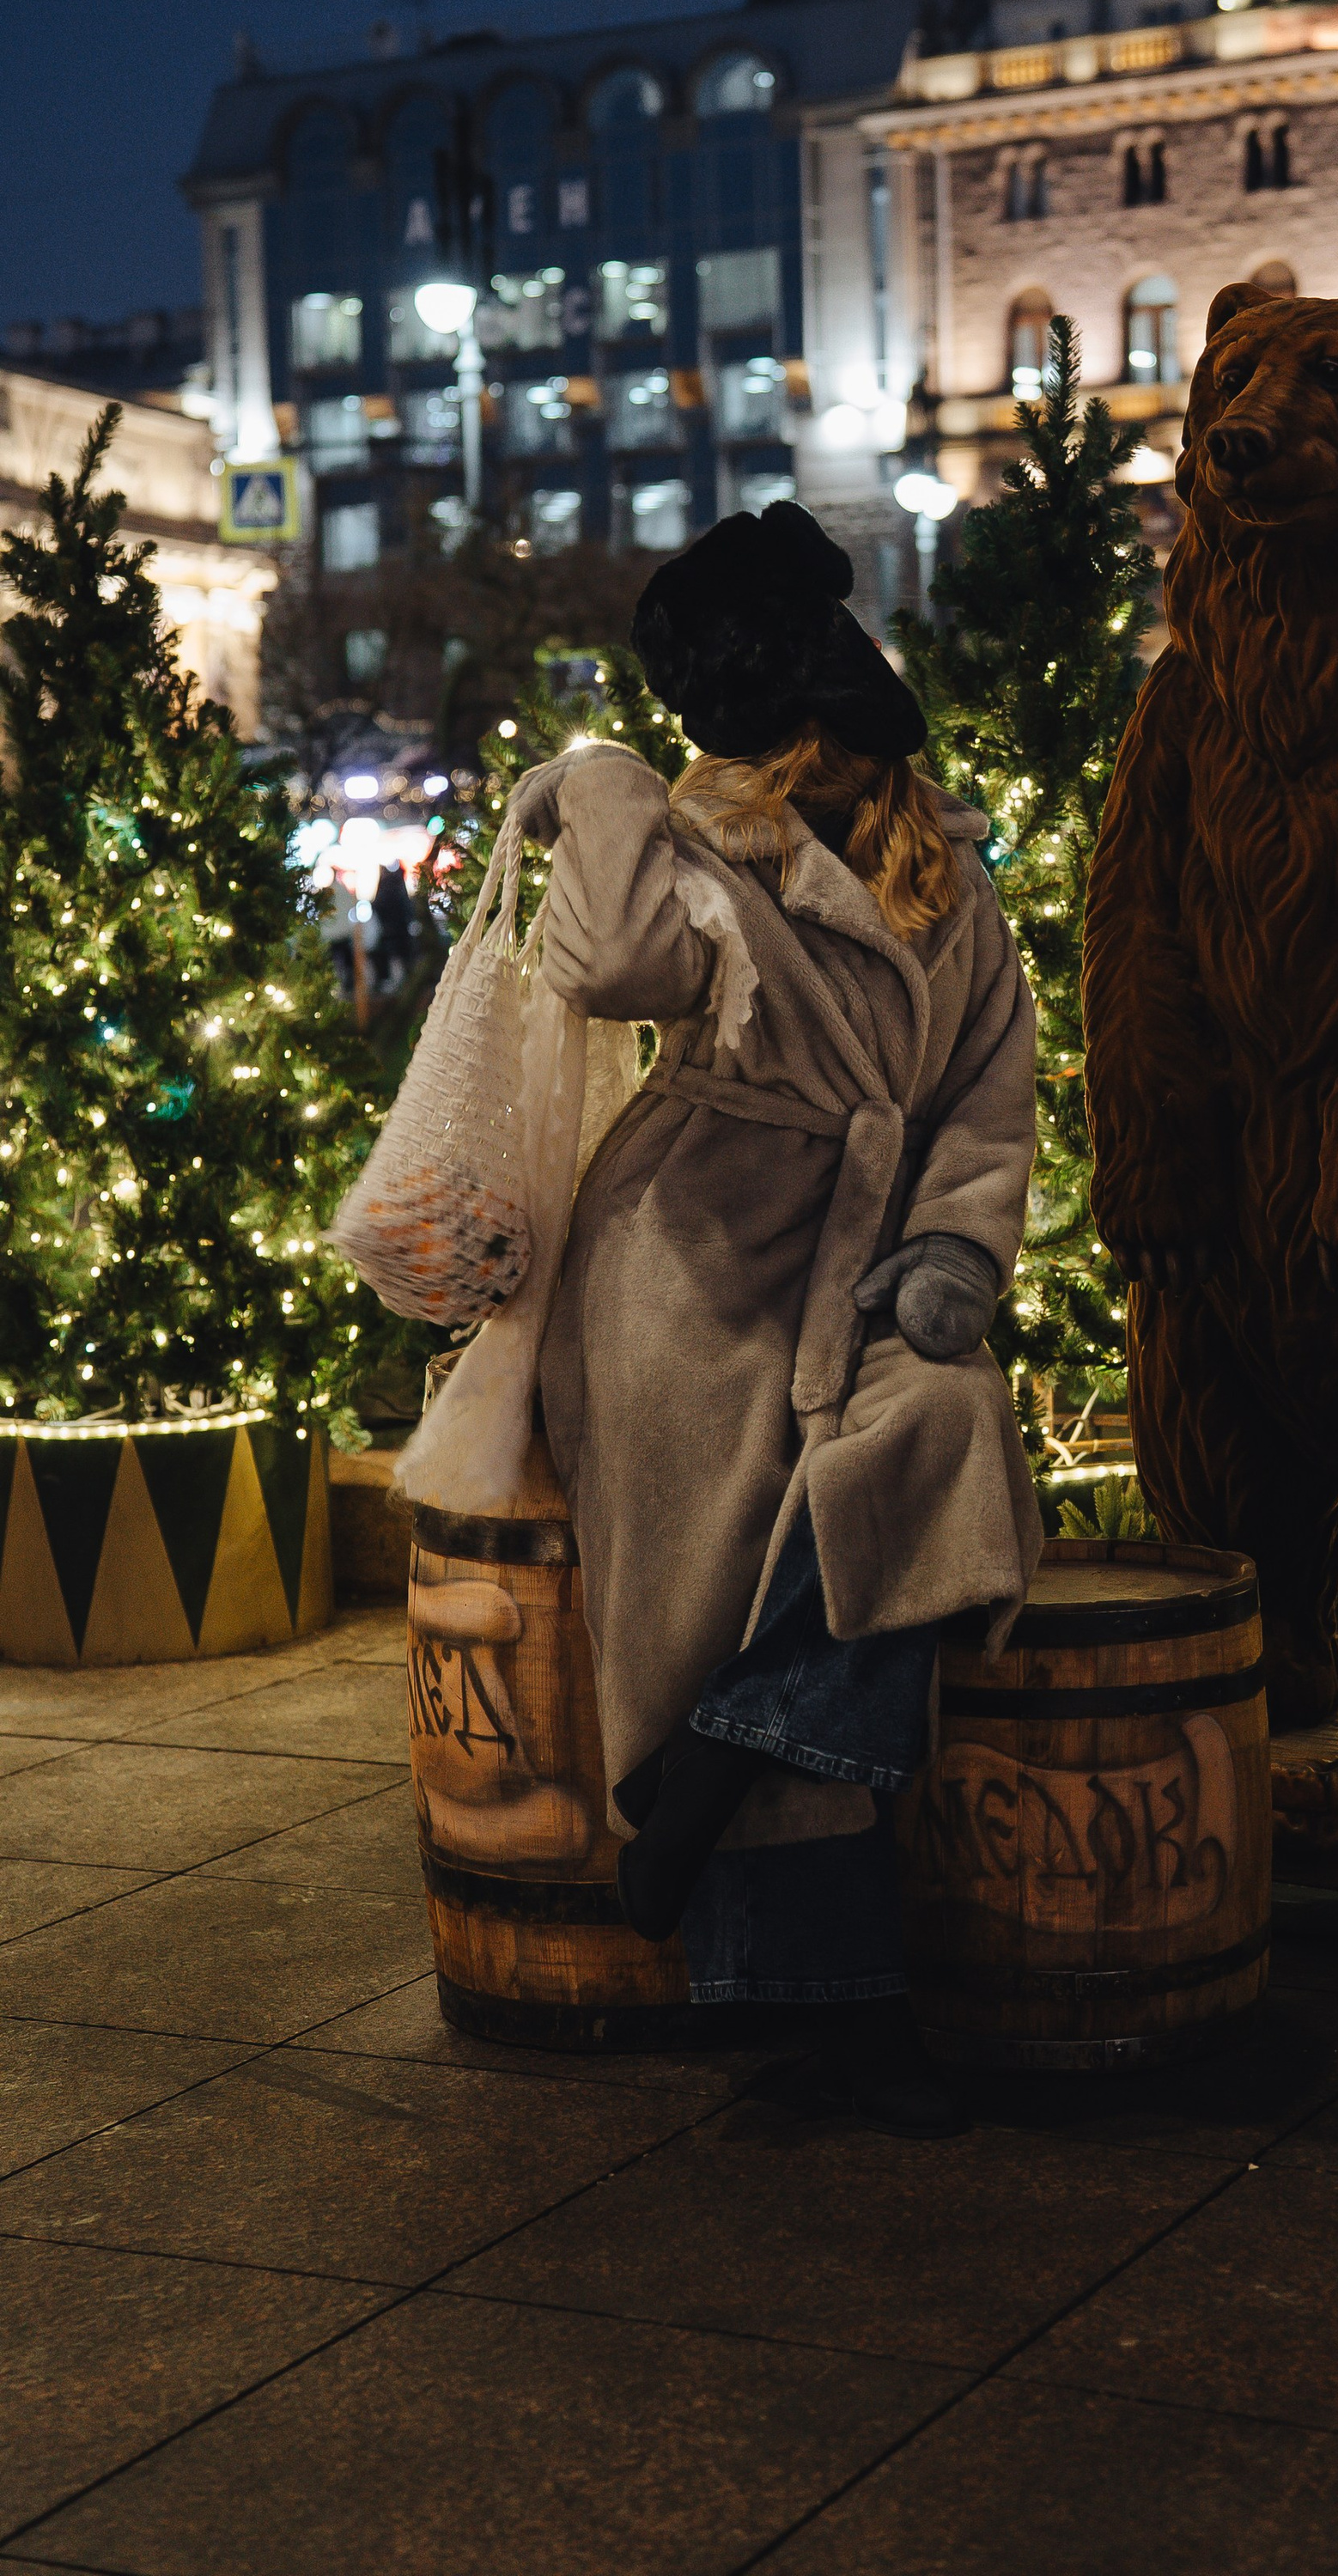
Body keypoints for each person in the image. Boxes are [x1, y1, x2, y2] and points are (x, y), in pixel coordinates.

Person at [511, 502, 1039, 2135]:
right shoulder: (688, 852)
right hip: (688, 1263)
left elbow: (990, 1096)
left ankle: (710, 1765)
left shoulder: (950, 870)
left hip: (867, 1263)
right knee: (747, 1531)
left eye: (813, 733)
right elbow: (598, 963)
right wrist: (598, 779)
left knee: (944, 1438)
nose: (802, 764)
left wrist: (957, 1256)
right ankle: (831, 2006)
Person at [371, 857, 415, 986]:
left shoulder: (385, 887)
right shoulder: (398, 886)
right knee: (402, 958)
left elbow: (378, 906)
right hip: (400, 930)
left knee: (395, 958)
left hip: (390, 931)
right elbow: (407, 907)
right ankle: (405, 982)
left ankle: (400, 983)